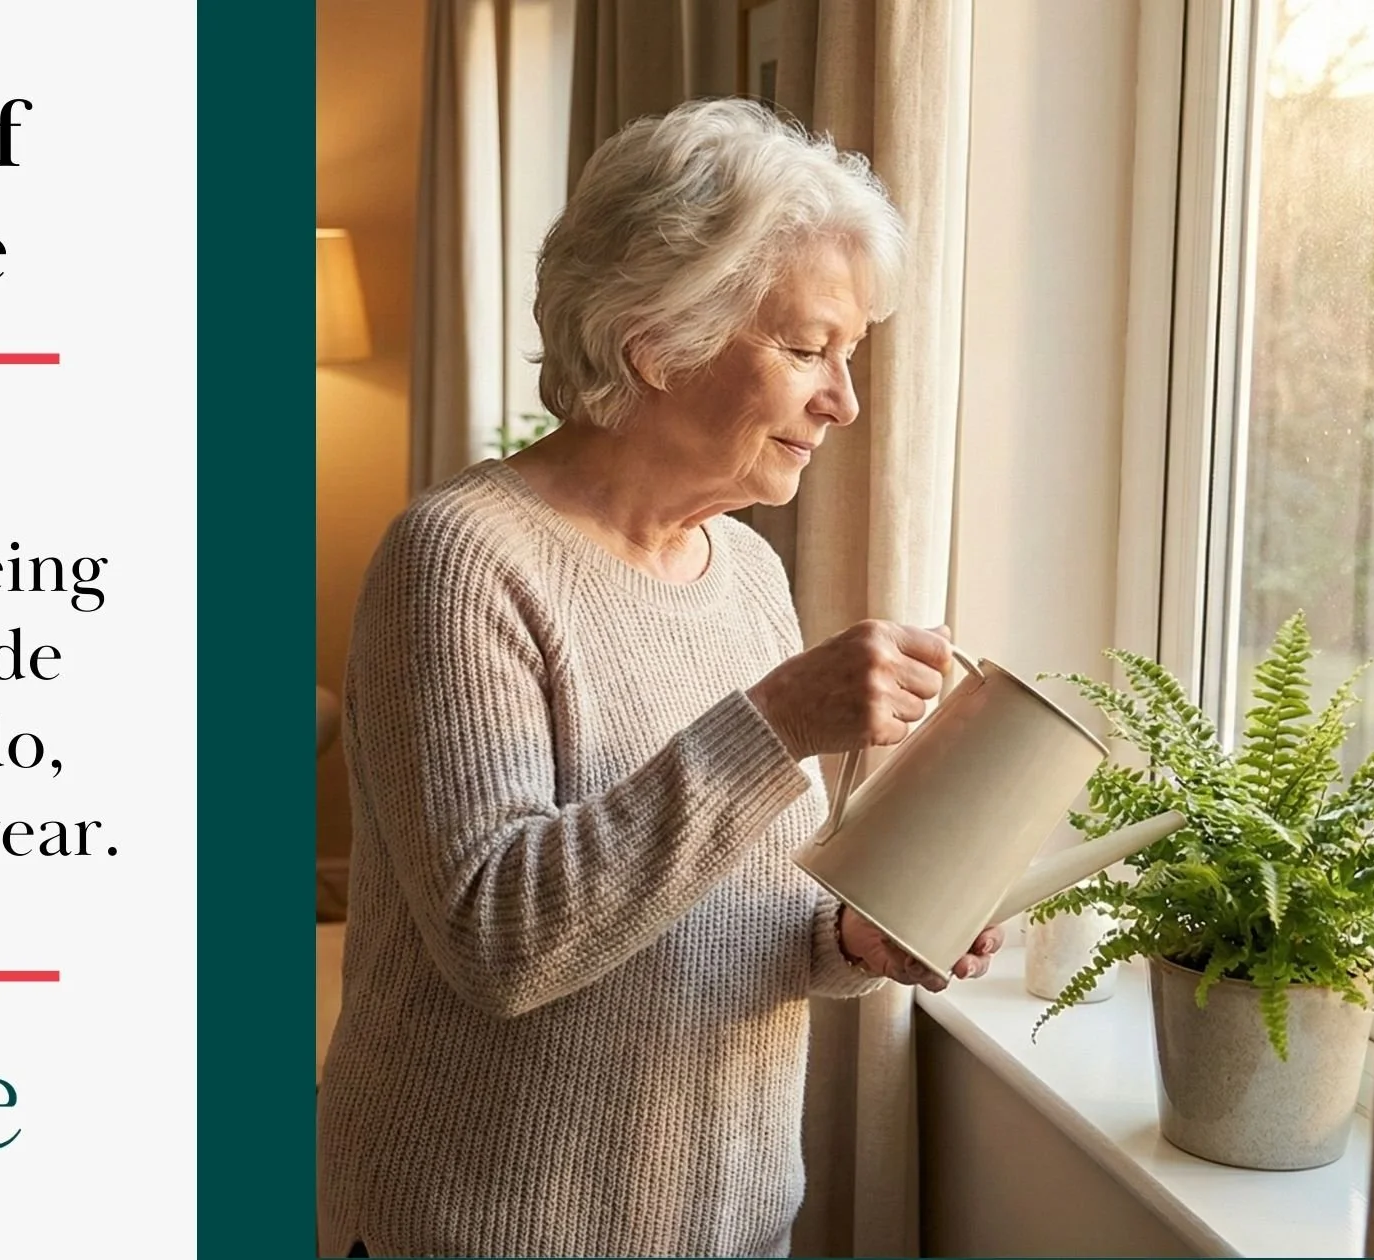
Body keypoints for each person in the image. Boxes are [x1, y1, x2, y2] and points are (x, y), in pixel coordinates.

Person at [315, 98, 1003, 1258]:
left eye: (849, 357)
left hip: (728, 1225)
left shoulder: (743, 570)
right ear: (655, 340)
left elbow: (720, 909)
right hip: (479, 1230)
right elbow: (501, 941)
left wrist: (853, 942)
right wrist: (776, 720)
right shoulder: (458, 558)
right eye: (804, 349)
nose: (842, 401)